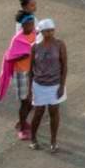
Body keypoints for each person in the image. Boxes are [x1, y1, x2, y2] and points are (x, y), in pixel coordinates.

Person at [25, 18, 69, 152]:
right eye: (47, 31)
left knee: (54, 112)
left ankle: (53, 141)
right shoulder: (35, 47)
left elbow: (64, 66)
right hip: (39, 85)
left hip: (55, 84)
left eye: (51, 30)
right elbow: (30, 69)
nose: (50, 33)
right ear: (41, 32)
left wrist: (62, 86)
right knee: (38, 112)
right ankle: (33, 139)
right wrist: (30, 89)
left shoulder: (60, 44)